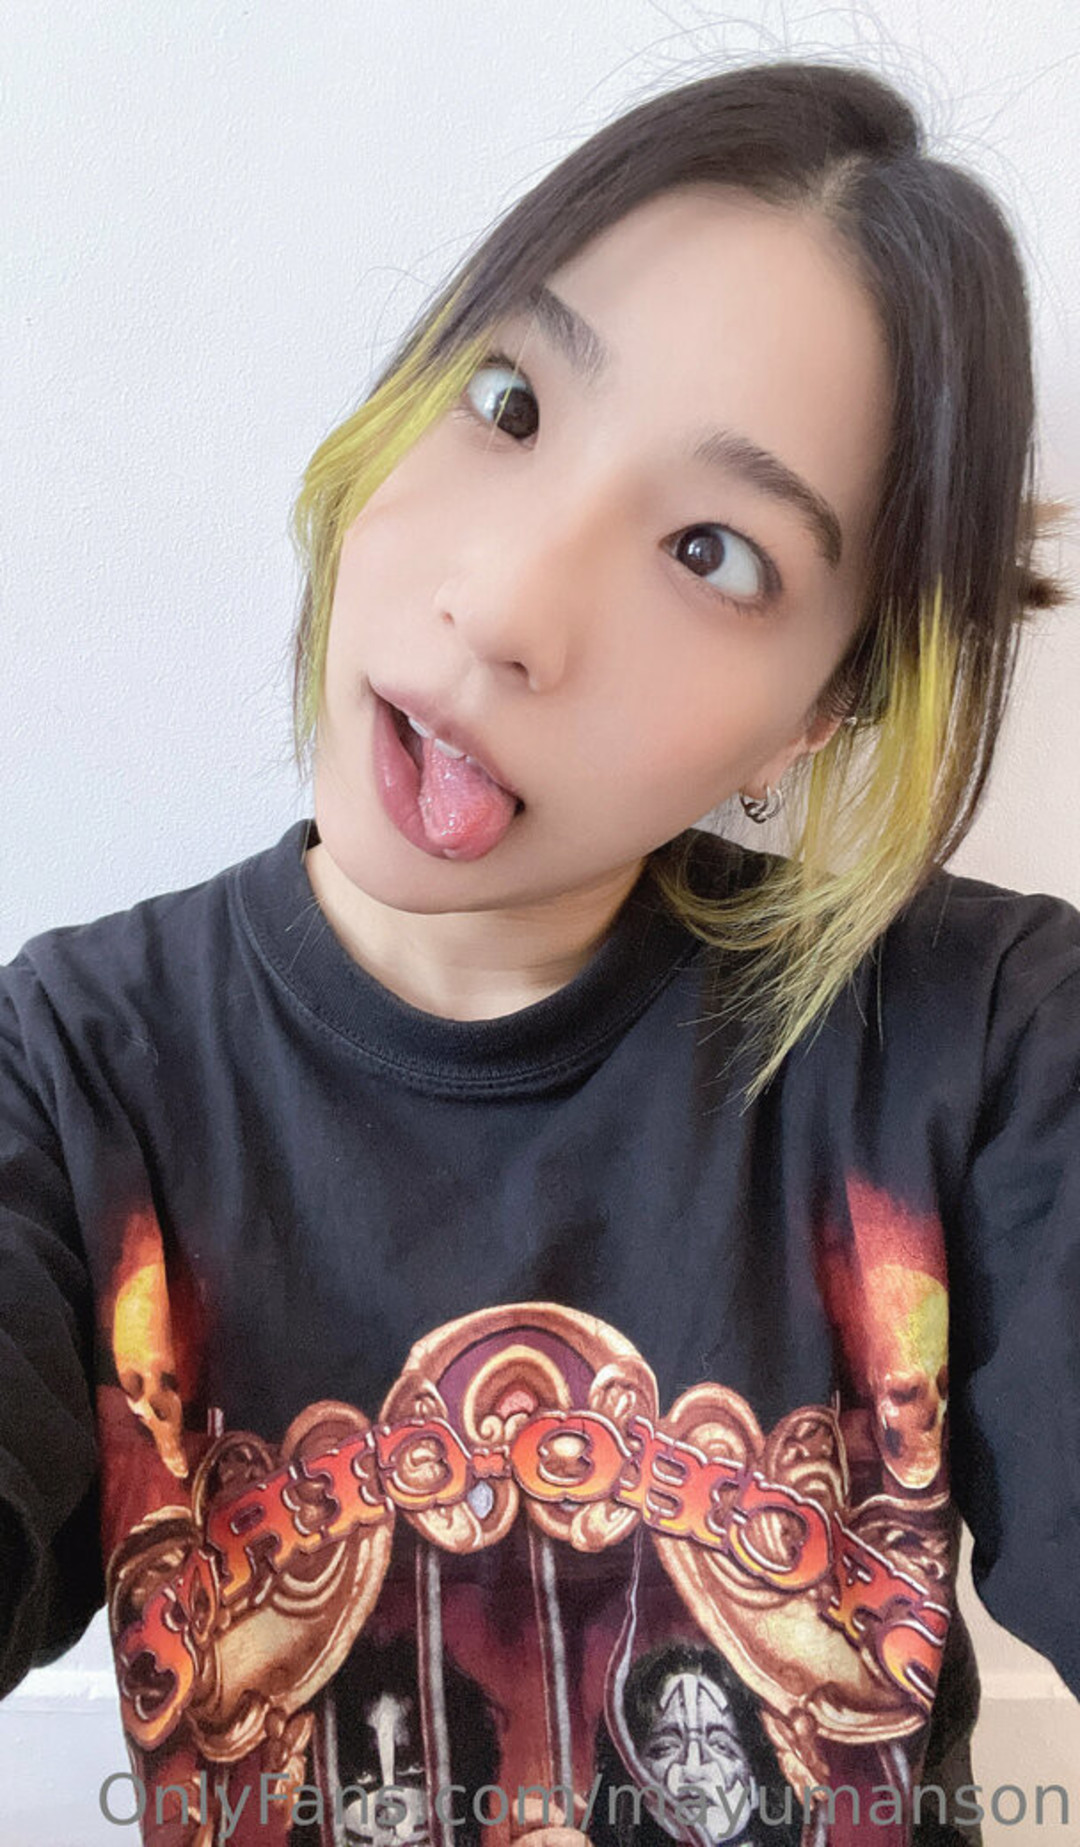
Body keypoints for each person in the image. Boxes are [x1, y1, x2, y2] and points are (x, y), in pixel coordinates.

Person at [0, 55, 1076, 1847]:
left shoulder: (987, 1052)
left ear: (816, 715)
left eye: (713, 551)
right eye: (506, 399)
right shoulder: (72, 1074)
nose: (505, 608)